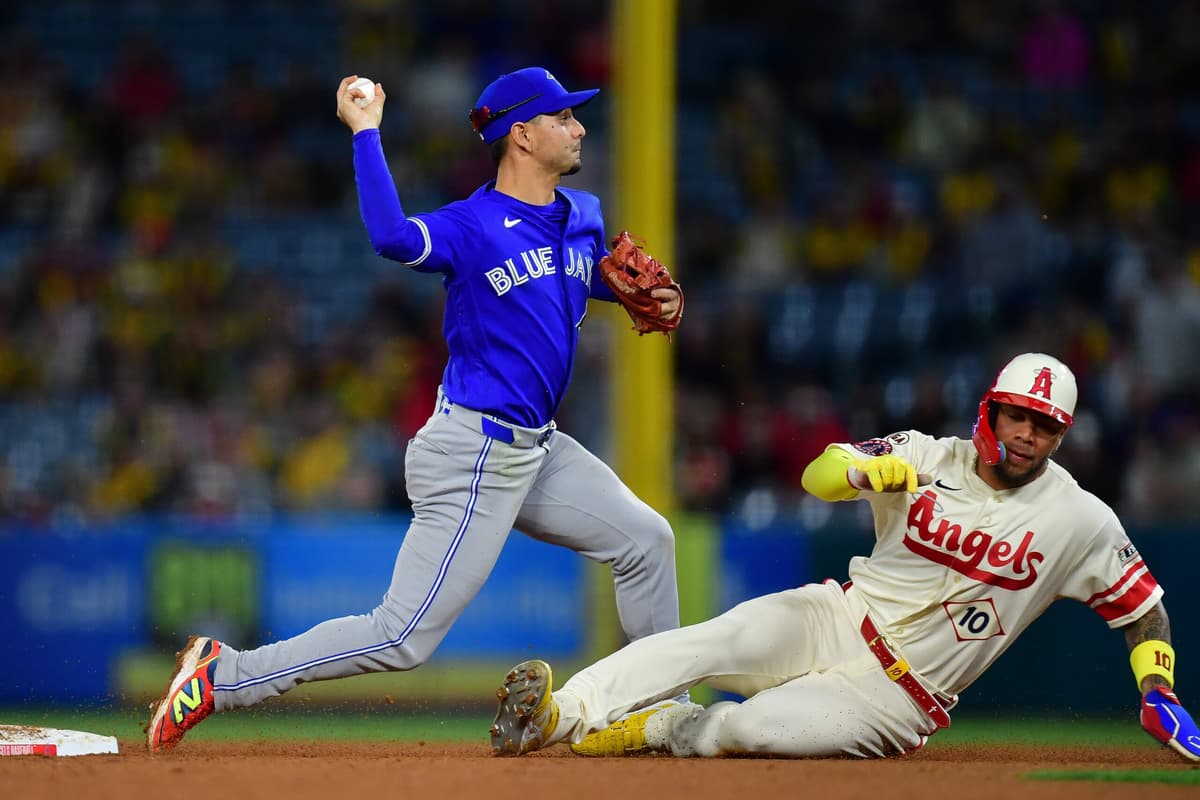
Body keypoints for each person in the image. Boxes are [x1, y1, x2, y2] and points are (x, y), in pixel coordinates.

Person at [147, 66, 685, 752]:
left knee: (647, 541)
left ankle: (660, 711)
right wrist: (367, 132)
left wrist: (635, 297)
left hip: (540, 450)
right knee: (401, 637)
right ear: (522, 135)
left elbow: (569, 283)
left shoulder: (584, 218)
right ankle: (223, 676)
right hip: (474, 454)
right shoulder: (471, 225)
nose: (578, 127)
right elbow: (392, 237)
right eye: (562, 117)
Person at [489, 353, 1200, 761]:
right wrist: (860, 472)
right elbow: (818, 474)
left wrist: (1159, 690)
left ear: (1060, 435)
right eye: (1017, 415)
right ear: (991, 411)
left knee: (748, 728)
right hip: (837, 614)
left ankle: (670, 726)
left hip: (897, 698)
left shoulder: (1079, 518)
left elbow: (1145, 610)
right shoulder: (928, 454)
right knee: (709, 640)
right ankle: (559, 714)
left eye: (1045, 426)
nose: (1027, 435)